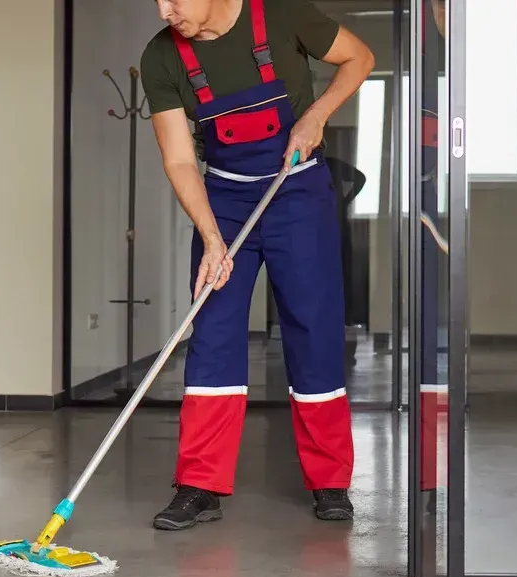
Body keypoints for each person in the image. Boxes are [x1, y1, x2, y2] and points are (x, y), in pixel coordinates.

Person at [141, 0, 375, 530]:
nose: (164, 10)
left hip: (298, 192)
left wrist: (316, 116)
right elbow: (179, 158)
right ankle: (199, 485)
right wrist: (211, 237)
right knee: (214, 332)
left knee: (312, 329)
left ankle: (330, 481)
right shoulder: (162, 57)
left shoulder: (282, 14)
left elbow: (359, 57)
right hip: (222, 200)